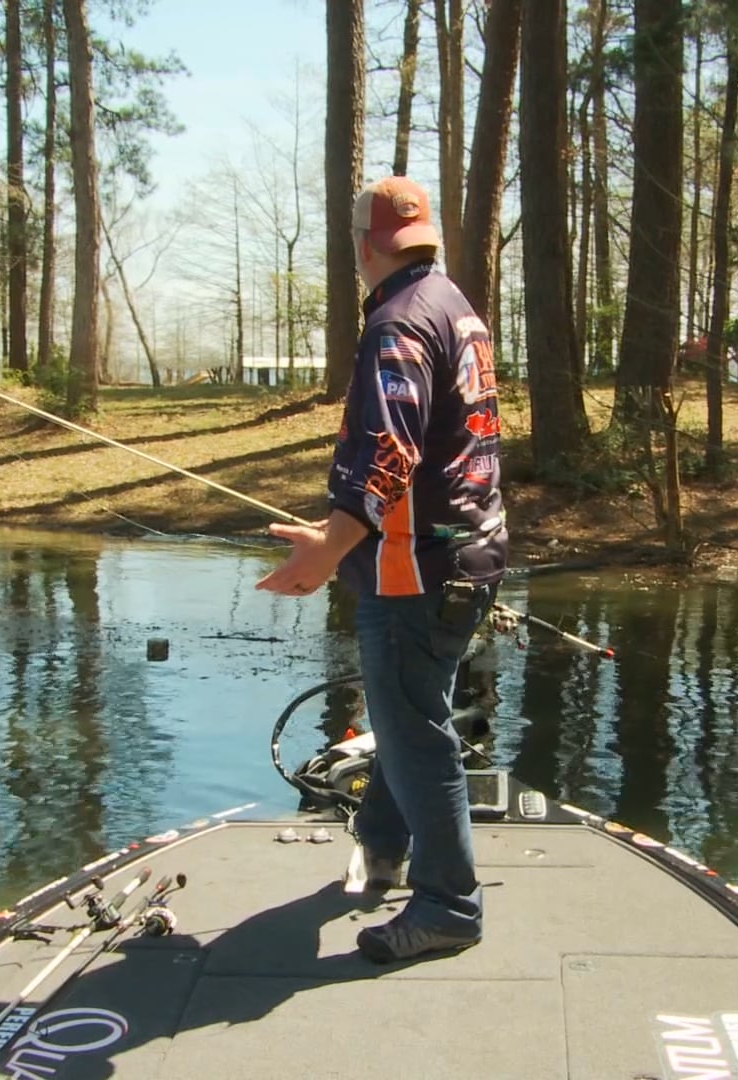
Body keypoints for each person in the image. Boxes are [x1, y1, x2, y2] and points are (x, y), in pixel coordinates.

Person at [255, 175, 507, 963]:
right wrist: (339, 532)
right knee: (407, 717)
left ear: (364, 246)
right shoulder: (453, 305)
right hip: (470, 552)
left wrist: (326, 550)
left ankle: (448, 909)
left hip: (417, 572)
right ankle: (384, 845)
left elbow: (388, 450)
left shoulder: (395, 323)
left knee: (412, 733)